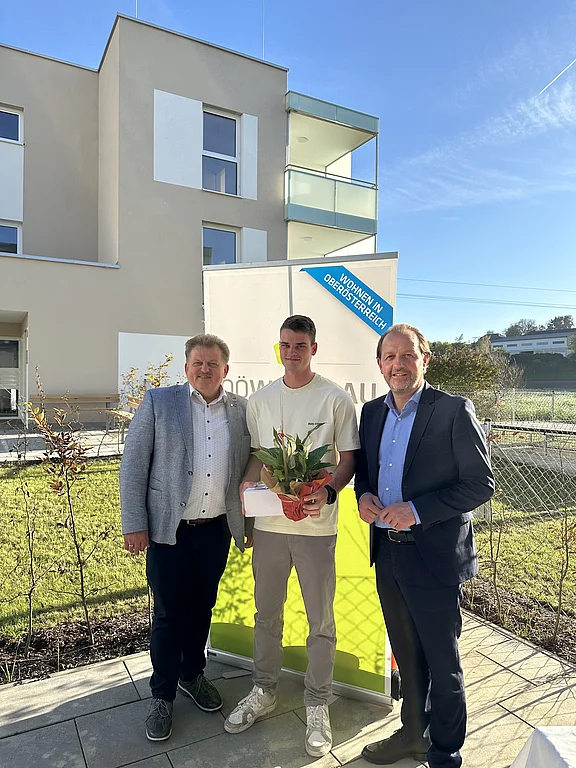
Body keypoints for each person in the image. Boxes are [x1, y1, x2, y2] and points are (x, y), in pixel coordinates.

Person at [355, 323, 495, 768]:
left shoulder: (453, 410)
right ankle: (413, 735)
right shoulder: (371, 412)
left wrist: (416, 510)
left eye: (407, 355)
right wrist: (363, 496)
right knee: (407, 655)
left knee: (441, 660)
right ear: (380, 364)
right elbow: (366, 474)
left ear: (425, 360)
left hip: (433, 556)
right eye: (389, 357)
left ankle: (445, 751)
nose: (398, 364)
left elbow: (480, 484)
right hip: (388, 553)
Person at [224, 315, 359, 757]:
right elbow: (257, 457)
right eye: (285, 345)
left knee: (320, 621)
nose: (292, 352)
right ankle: (264, 691)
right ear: (278, 348)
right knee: (267, 615)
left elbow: (348, 458)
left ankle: (317, 703)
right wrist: (248, 484)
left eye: (300, 345)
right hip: (269, 527)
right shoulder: (261, 401)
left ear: (313, 349)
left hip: (316, 528)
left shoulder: (335, 398)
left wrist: (329, 491)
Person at [120, 334, 252, 742]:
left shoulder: (241, 410)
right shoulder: (160, 403)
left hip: (215, 530)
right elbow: (133, 466)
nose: (204, 370)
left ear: (225, 370)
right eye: (198, 363)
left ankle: (192, 675)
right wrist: (134, 523)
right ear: (186, 367)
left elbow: (248, 466)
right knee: (168, 614)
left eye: (213, 364)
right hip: (168, 531)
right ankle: (162, 695)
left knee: (201, 607)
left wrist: (248, 524)